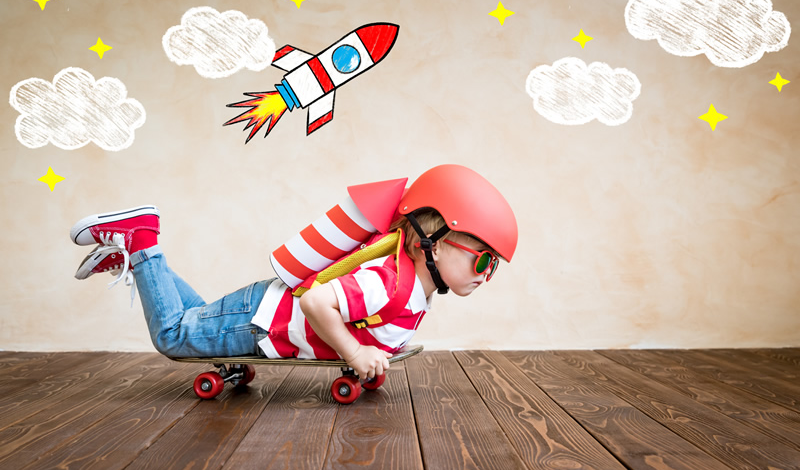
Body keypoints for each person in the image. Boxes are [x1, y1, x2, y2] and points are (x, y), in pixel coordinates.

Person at [69, 165, 518, 379]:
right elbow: (315, 301)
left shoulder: (406, 280)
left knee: (195, 319)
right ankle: (141, 240)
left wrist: (361, 350)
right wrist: (356, 354)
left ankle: (135, 261)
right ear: (429, 246)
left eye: (491, 265)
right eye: (481, 259)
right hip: (261, 322)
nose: (484, 273)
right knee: (173, 336)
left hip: (263, 312)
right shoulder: (389, 283)